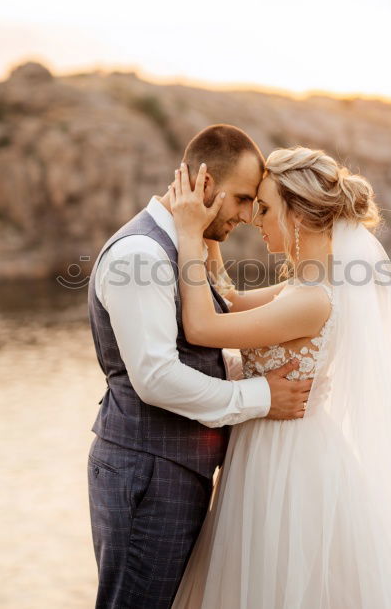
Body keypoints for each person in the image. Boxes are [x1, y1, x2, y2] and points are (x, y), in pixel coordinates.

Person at [167, 148, 391, 608]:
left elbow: (203, 327)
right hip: (267, 448)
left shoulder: (313, 300)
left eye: (267, 209)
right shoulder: (304, 286)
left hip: (287, 462)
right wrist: (211, 227)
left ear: (300, 215)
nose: (255, 219)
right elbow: (227, 300)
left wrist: (189, 236)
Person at [85, 125, 313, 609]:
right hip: (147, 473)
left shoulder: (178, 249)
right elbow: (156, 377)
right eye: (243, 200)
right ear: (206, 184)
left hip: (171, 469)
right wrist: (262, 398)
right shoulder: (142, 256)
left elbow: (217, 321)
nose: (249, 217)